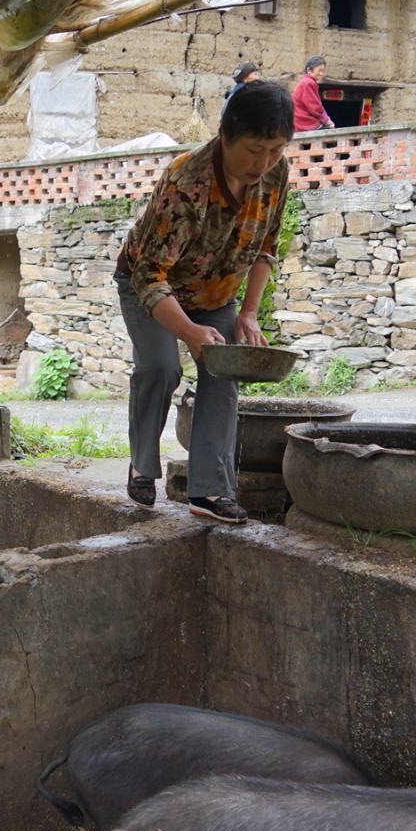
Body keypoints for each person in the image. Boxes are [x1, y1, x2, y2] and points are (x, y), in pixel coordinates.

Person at [115, 81, 293, 524]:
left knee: (224, 372)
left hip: (218, 291)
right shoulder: (185, 179)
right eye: (255, 149)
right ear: (226, 133)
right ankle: (142, 464)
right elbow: (149, 275)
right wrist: (190, 332)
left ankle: (210, 492)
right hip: (151, 283)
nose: (264, 162)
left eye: (275, 149)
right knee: (161, 367)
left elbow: (265, 246)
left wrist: (249, 312)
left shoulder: (276, 172)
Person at [293, 54, 334, 132]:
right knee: (329, 133)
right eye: (319, 71)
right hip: (303, 121)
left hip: (297, 121)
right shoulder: (308, 83)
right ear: (309, 70)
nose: (321, 74)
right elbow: (315, 107)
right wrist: (326, 120)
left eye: (323, 71)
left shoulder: (304, 82)